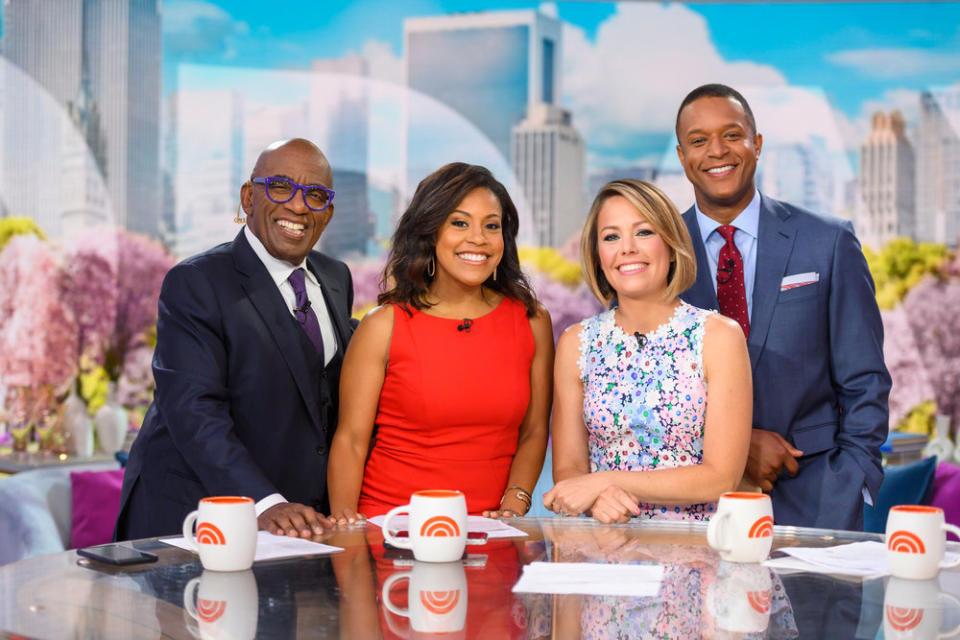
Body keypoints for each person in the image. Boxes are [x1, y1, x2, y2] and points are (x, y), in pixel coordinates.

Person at [674, 83, 891, 530]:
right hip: (691, 510)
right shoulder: (657, 252)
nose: (717, 151)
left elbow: (865, 380)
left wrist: (851, 482)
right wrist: (735, 447)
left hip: (817, 500)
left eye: (732, 135)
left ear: (756, 144)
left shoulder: (828, 242)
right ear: (682, 156)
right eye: (699, 141)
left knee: (821, 605)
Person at [115, 138, 354, 540]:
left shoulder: (336, 278)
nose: (298, 206)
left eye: (315, 195)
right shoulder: (196, 283)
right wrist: (264, 502)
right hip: (194, 517)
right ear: (248, 198)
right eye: (280, 187)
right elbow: (193, 411)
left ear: (327, 213)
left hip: (294, 528)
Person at [327, 162, 553, 521]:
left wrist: (515, 505)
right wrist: (347, 532)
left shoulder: (532, 320)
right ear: (431, 232)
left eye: (491, 226)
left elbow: (535, 431)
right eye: (459, 223)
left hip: (493, 531)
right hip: (391, 528)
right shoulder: (383, 325)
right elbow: (351, 441)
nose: (478, 238)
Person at [546, 179, 752, 523]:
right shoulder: (575, 342)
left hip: (694, 555)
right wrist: (596, 499)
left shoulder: (719, 337)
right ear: (598, 256)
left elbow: (721, 478)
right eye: (611, 237)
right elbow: (569, 470)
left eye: (643, 232)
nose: (627, 248)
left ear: (671, 246)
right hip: (602, 548)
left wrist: (603, 482)